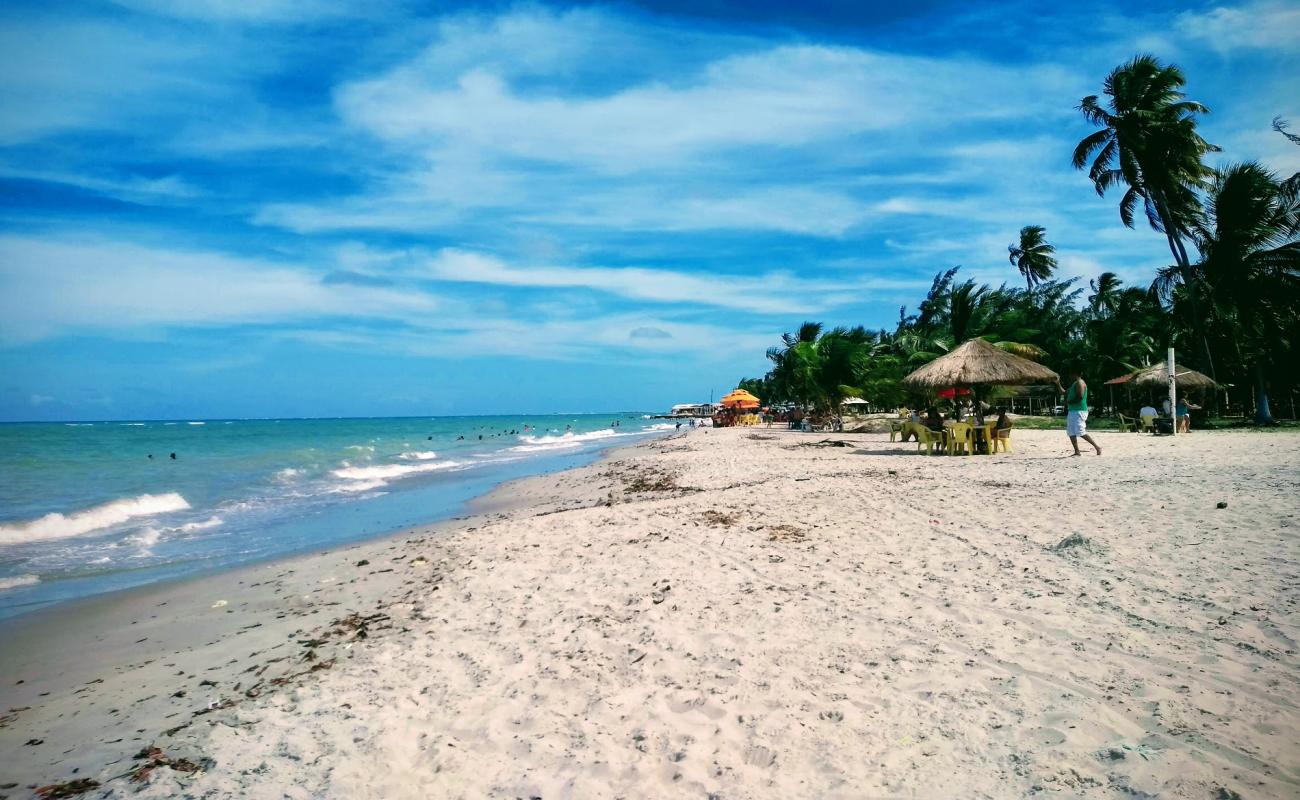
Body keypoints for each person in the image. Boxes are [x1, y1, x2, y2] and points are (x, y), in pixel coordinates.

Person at [1056, 368, 1101, 456]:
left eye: (1070, 374)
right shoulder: (1074, 384)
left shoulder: (1080, 383)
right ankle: (1077, 451)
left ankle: (1097, 447)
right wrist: (1058, 384)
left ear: (1075, 373)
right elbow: (1064, 392)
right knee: (1071, 432)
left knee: (1080, 431)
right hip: (1073, 411)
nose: (1069, 376)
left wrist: (1068, 402)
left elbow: (1080, 397)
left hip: (1079, 411)